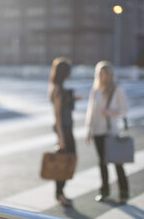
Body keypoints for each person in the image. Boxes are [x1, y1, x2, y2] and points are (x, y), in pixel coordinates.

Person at [85, 60, 129, 204]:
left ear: (110, 75)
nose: (102, 76)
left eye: (105, 74)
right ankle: (104, 192)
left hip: (111, 131)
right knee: (102, 163)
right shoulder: (95, 90)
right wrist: (88, 130)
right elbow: (90, 112)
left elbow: (124, 110)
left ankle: (123, 193)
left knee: (117, 163)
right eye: (100, 74)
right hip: (98, 131)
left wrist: (110, 113)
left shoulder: (117, 90)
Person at [48, 57, 81, 207]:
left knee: (67, 161)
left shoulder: (60, 89)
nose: (71, 73)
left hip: (66, 130)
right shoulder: (58, 90)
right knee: (64, 162)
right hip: (64, 131)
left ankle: (60, 193)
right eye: (69, 71)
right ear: (64, 72)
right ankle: (59, 194)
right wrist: (61, 138)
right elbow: (58, 116)